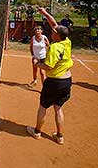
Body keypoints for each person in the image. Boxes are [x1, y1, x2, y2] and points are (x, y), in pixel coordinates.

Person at [27, 7, 73, 145]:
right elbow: (54, 24)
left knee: (43, 106)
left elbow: (48, 66)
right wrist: (45, 13)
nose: (52, 30)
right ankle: (59, 136)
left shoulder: (54, 48)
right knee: (58, 108)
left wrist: (37, 63)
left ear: (57, 35)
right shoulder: (66, 41)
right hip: (66, 81)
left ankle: (37, 132)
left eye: (54, 31)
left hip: (54, 81)